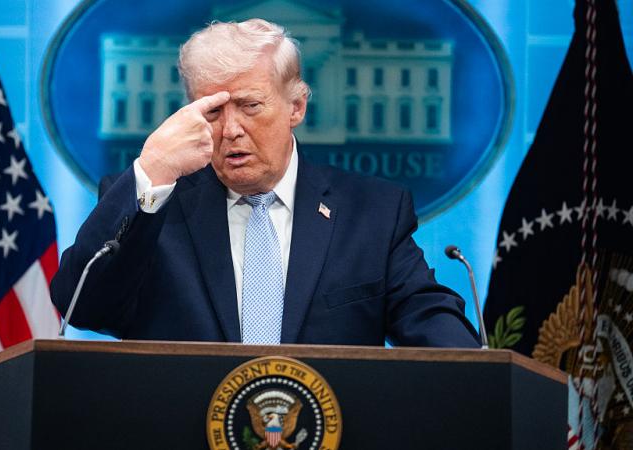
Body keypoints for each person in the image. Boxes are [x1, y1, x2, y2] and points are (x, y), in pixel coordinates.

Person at [50, 19, 479, 347]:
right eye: (213, 111)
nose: (231, 129)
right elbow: (81, 306)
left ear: (296, 107)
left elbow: (428, 318)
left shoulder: (373, 213)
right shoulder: (154, 205)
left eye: (250, 106)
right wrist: (152, 171)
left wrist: (480, 370)